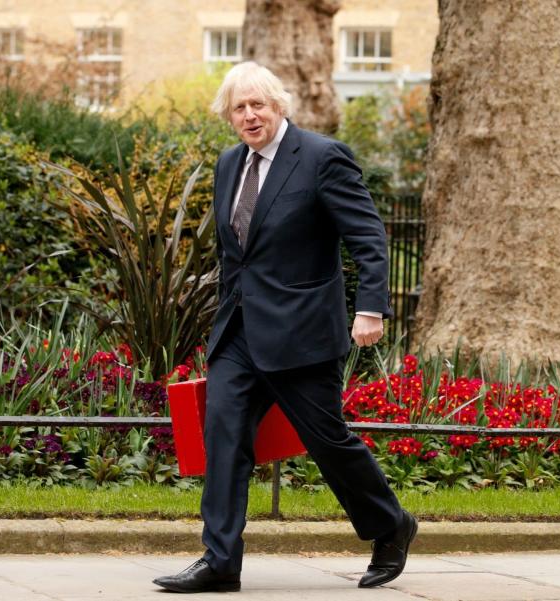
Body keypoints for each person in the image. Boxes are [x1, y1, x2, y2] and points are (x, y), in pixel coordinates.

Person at [153, 62, 416, 593]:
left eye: (258, 105)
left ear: (280, 106)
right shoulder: (229, 164)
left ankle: (391, 525)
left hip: (303, 334)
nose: (250, 116)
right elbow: (236, 255)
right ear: (228, 116)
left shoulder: (321, 157)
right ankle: (220, 561)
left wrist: (370, 308)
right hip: (239, 333)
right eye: (239, 108)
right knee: (223, 437)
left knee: (328, 442)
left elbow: (367, 236)